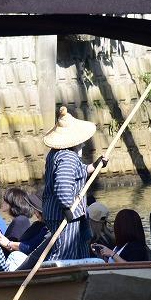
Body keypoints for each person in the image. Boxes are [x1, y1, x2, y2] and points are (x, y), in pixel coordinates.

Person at [40, 106, 100, 261]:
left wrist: (95, 166)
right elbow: (63, 185)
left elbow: (77, 173)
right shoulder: (67, 157)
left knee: (80, 251)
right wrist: (67, 207)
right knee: (65, 254)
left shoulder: (56, 154)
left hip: (69, 213)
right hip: (64, 214)